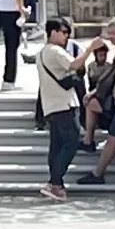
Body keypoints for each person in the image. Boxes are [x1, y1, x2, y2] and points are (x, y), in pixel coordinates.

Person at [37, 17, 95, 201]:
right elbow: (74, 64)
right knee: (71, 141)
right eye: (63, 32)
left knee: (56, 146)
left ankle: (56, 183)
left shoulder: (41, 53)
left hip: (51, 106)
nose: (66, 36)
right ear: (52, 32)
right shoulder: (54, 51)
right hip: (64, 105)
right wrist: (90, 50)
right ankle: (55, 182)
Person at [77, 20, 115, 184]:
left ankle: (98, 173)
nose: (111, 37)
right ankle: (88, 141)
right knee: (91, 104)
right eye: (109, 33)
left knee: (113, 138)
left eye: (114, 33)